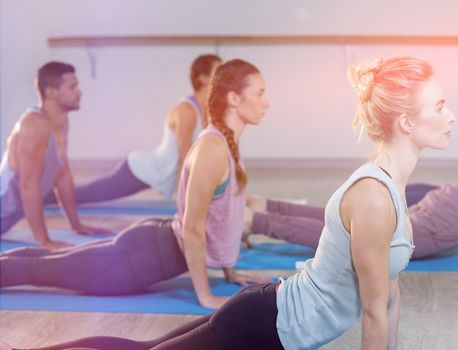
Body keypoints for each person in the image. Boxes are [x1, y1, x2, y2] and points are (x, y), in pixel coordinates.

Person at [16, 56, 456, 350]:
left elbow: (390, 299)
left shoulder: (392, 189)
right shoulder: (374, 199)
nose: (451, 115)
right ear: (404, 120)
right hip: (262, 324)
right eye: (440, 105)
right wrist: (205, 290)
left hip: (268, 313)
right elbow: (375, 313)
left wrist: (226, 267)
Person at [245, 41, 458, 272]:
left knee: (349, 226)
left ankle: (265, 205)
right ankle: (254, 220)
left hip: (453, 200)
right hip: (452, 217)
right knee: (349, 239)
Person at [1, 59, 271, 309]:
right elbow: (193, 229)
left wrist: (229, 271)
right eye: (260, 93)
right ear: (234, 98)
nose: (266, 102)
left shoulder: (225, 143)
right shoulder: (213, 148)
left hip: (150, 245)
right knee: (38, 268)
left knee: (45, 262)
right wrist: (206, 296)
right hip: (137, 260)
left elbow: (223, 215)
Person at [43, 54, 222, 204]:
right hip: (144, 169)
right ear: (203, 78)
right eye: (218, 71)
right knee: (87, 195)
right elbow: (185, 154)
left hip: (159, 171)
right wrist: (186, 196)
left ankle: (46, 194)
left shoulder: (207, 109)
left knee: (87, 193)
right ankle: (41, 197)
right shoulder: (187, 110)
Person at [0, 62, 111, 248]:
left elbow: (63, 177)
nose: (79, 92)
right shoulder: (34, 125)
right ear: (51, 92)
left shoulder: (60, 123)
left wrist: (76, 225)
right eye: (72, 87)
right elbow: (28, 186)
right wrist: (44, 241)